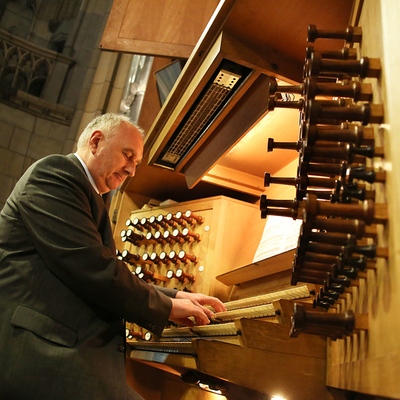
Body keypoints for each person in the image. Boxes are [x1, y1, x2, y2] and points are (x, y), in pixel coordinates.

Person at [0, 113, 226, 400]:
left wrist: (175, 297)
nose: (132, 170)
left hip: (65, 346)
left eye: (136, 163)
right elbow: (93, 269)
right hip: (41, 353)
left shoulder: (87, 191)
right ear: (95, 142)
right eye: (127, 155)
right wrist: (166, 307)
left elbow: (99, 267)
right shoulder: (55, 174)